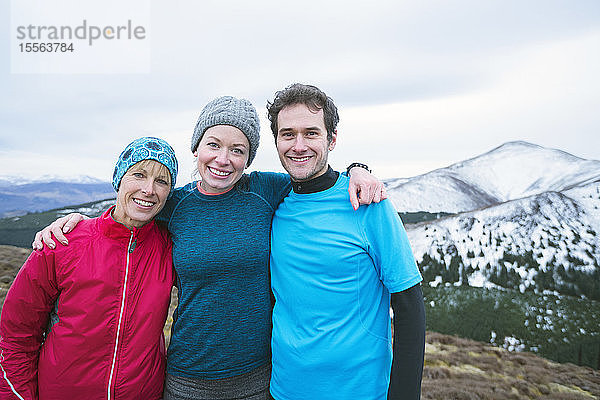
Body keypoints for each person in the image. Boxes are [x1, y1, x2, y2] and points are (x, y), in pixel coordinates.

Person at [31, 96, 385, 399]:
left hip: (258, 376)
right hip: (188, 378)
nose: (223, 159)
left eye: (238, 150)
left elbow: (316, 175)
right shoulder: (174, 205)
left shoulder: (266, 191)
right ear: (196, 148)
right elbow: (128, 214)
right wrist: (79, 221)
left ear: (248, 158)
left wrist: (358, 169)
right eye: (213, 145)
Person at [266, 83, 426, 400]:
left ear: (332, 139)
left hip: (359, 392)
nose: (298, 145)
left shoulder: (368, 204)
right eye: (288, 134)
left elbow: (409, 307)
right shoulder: (275, 201)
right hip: (284, 390)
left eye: (311, 133)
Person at [0, 137, 179, 399]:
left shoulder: (170, 248)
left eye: (162, 181)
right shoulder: (62, 241)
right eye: (138, 174)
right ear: (119, 178)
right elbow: (16, 335)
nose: (149, 189)